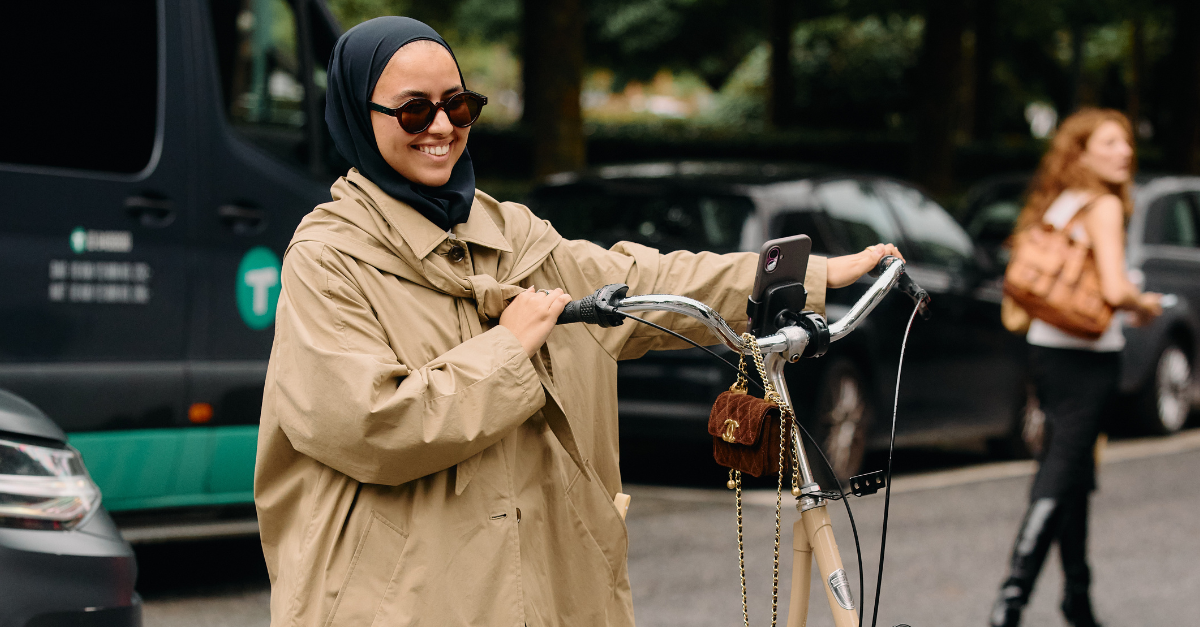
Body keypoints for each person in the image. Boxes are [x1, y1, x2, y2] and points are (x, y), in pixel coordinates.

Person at [254, 16, 903, 626]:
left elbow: (642, 281)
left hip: (541, 587)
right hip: (401, 601)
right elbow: (374, 425)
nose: (442, 127)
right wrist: (510, 348)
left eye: (459, 106)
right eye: (414, 109)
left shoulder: (515, 235)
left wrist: (800, 277)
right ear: (355, 117)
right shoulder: (328, 261)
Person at [989, 108, 1162, 627]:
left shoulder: (1060, 202)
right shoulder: (1105, 205)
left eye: (1126, 143)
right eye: (1109, 143)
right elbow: (1112, 289)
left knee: (1074, 470)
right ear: (1081, 152)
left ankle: (1077, 598)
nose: (1124, 152)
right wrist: (1144, 304)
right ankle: (1012, 598)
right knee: (1063, 465)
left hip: (1046, 350)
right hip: (1089, 359)